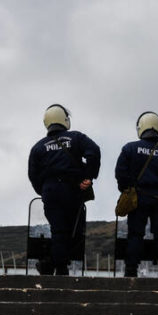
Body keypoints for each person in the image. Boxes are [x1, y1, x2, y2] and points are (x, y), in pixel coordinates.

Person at [28, 104, 101, 275]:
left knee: (59, 230)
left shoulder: (38, 147)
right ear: (65, 120)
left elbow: (33, 175)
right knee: (74, 230)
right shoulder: (76, 138)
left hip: (51, 191)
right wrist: (88, 177)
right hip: (72, 190)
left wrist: (44, 190)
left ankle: (54, 265)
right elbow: (94, 152)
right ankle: (57, 266)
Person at [114, 112, 158, 277]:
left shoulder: (129, 148)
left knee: (135, 234)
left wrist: (127, 190)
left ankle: (131, 271)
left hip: (137, 198)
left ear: (141, 127)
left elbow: (120, 173)